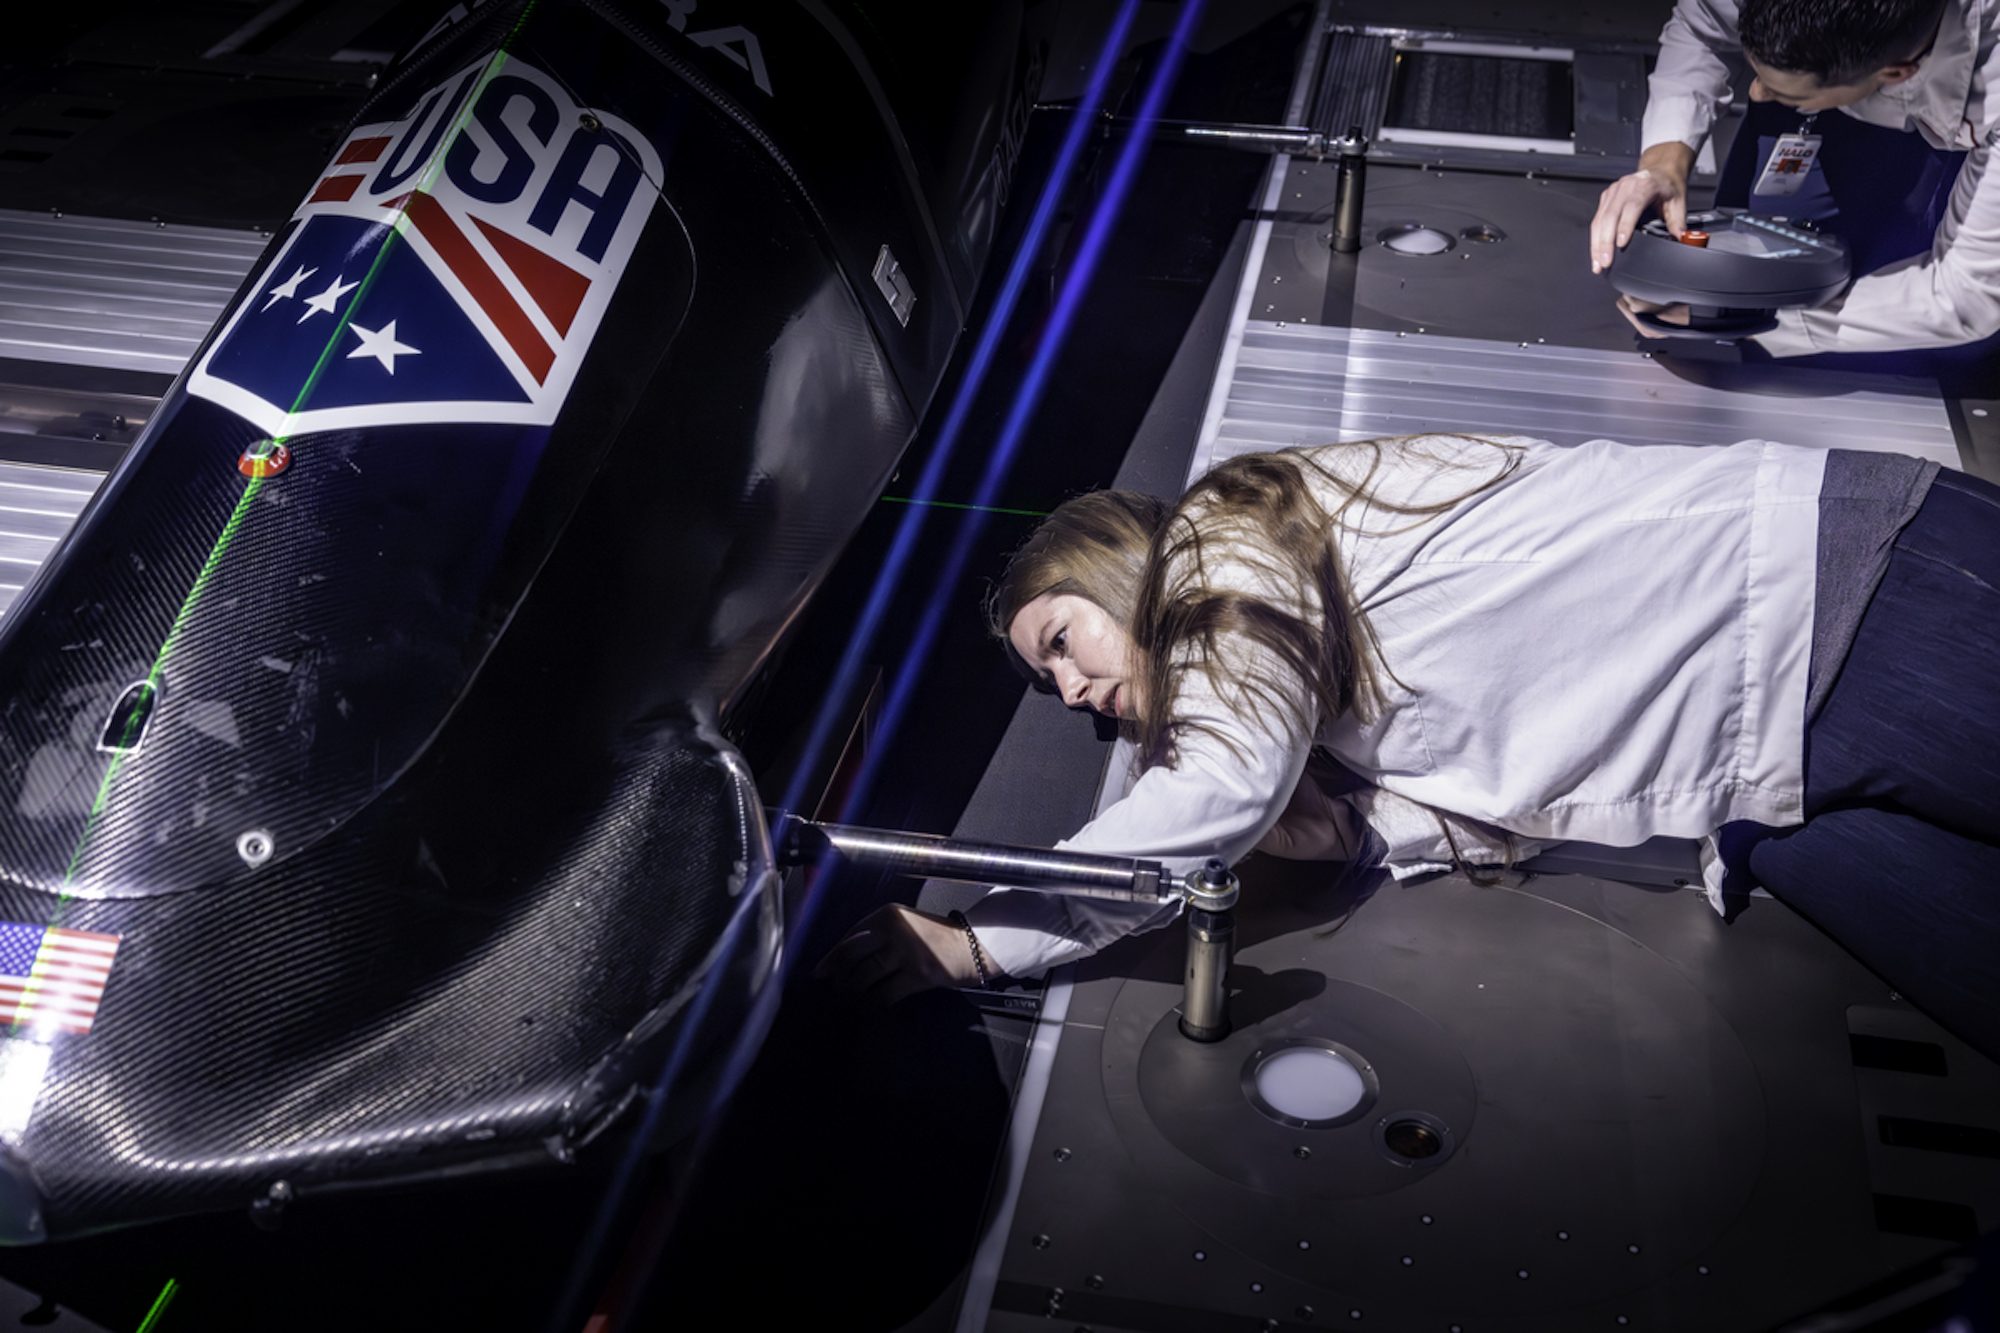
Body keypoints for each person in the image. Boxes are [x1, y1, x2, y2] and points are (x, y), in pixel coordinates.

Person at [819, 434, 2000, 1061]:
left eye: (1061, 641)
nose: (1072, 690)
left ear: (1117, 563)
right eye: (1051, 683)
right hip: (1760, 787)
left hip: (1847, 596)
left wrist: (979, 940)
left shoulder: (1225, 534)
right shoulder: (1289, 665)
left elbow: (1206, 793)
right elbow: (1451, 805)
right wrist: (1335, 827)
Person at [1587, 0, 2000, 359]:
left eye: (1788, 94)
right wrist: (1662, 164)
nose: (1758, 93)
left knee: (1899, 355)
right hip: (1823, 106)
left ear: (1897, 74)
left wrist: (1749, 319)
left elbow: (1966, 293)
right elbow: (1703, 26)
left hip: (1946, 147)